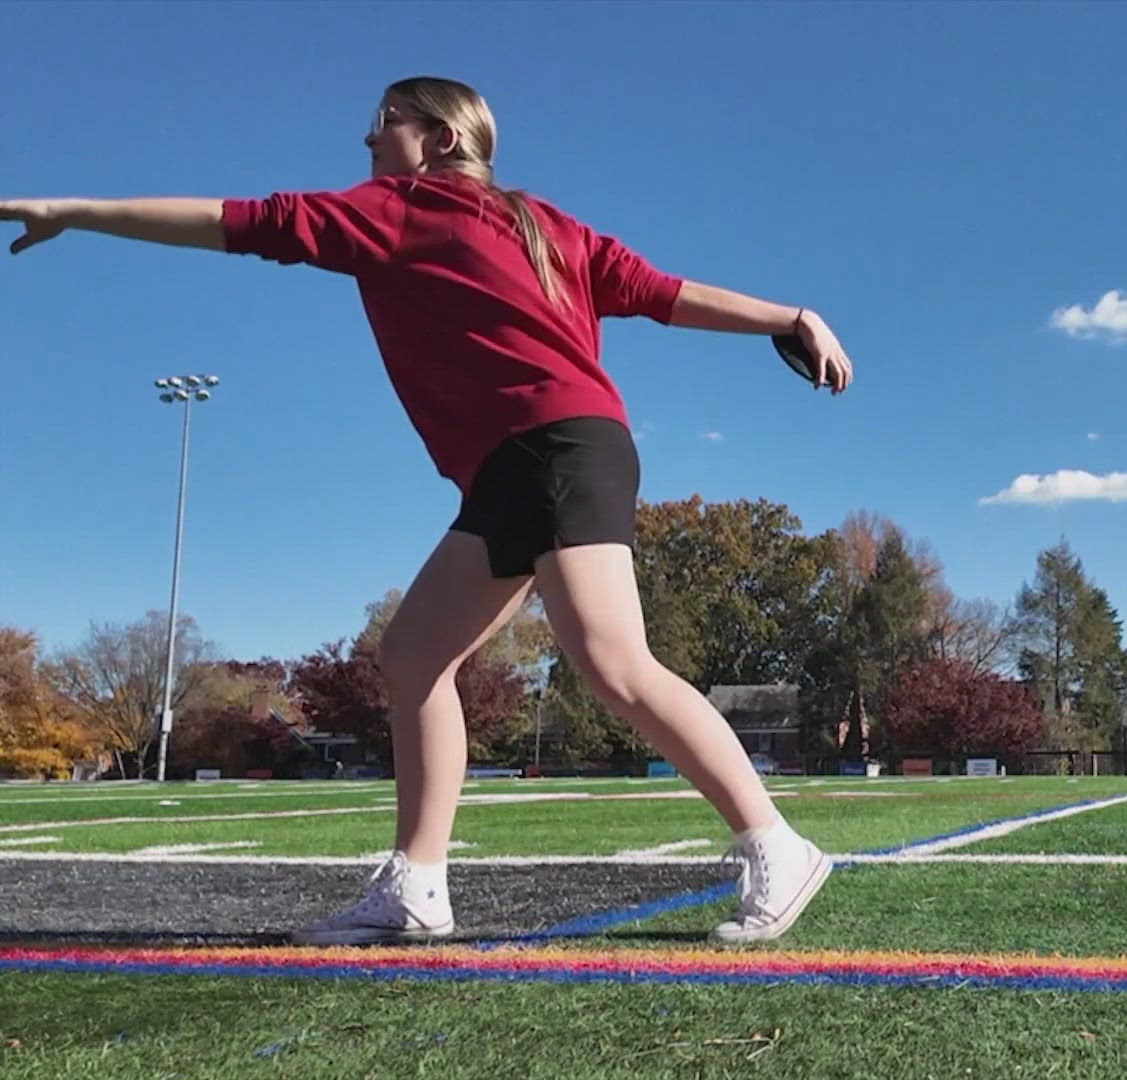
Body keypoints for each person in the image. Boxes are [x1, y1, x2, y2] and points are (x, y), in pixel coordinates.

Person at [0, 76, 850, 947]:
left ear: (440, 138)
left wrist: (75, 210)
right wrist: (789, 318)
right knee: (411, 656)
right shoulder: (530, 222)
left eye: (384, 123)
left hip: (558, 447)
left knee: (614, 662)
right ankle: (416, 886)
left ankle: (775, 845)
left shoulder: (419, 211)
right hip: (516, 467)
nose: (369, 140)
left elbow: (234, 222)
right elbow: (669, 294)